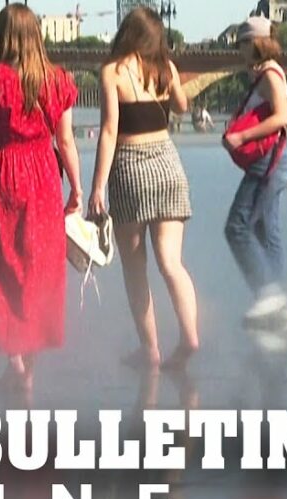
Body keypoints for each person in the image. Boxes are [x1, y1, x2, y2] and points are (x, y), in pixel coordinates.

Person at [0, 3, 83, 391]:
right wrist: (78, 188)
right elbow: (66, 140)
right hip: (45, 172)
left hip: (5, 169)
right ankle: (28, 369)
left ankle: (15, 361)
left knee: (3, 263)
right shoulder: (58, 79)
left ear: (1, 36)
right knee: (40, 266)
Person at [88, 7, 198, 372]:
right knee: (171, 262)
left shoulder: (113, 72)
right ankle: (189, 337)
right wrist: (174, 84)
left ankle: (150, 348)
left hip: (131, 167)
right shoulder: (166, 69)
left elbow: (108, 131)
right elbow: (181, 107)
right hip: (168, 164)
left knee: (136, 268)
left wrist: (97, 187)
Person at [222, 17, 287, 323]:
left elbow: (282, 118)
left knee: (237, 227)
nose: (240, 50)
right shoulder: (264, 74)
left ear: (255, 43)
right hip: (273, 162)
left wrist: (241, 136)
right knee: (267, 231)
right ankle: (278, 303)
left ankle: (268, 293)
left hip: (269, 163)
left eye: (242, 44)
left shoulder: (270, 75)